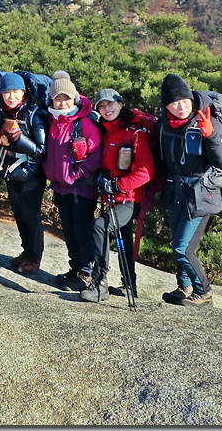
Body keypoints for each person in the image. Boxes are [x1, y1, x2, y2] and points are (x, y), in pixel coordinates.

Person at [156, 74, 222, 308]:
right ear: (166, 106)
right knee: (177, 243)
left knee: (183, 248)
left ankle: (204, 292)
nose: (181, 107)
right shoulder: (163, 124)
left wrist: (210, 135)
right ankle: (185, 286)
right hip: (175, 191)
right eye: (174, 103)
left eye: (184, 101)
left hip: (201, 194)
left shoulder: (207, 119)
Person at [84, 88, 156, 303]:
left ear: (120, 104)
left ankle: (100, 285)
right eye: (102, 106)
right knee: (123, 239)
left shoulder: (135, 134)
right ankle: (129, 285)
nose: (107, 109)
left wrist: (118, 185)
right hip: (114, 198)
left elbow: (146, 172)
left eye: (110, 104)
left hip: (130, 199)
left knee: (100, 227)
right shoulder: (106, 132)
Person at [41, 76, 103, 292]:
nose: (62, 103)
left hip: (81, 187)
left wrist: (76, 174)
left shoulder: (83, 123)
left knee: (81, 230)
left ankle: (86, 273)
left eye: (66, 98)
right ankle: (75, 268)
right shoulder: (53, 121)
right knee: (68, 229)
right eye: (58, 98)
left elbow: (95, 156)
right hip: (60, 186)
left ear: (74, 98)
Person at [0, 71, 49, 275]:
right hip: (11, 170)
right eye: (7, 92)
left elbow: (41, 150)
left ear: (24, 93)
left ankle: (35, 257)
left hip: (32, 173)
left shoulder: (35, 114)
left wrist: (18, 136)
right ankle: (26, 252)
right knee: (19, 214)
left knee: (31, 215)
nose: (11, 96)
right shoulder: (3, 111)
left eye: (16, 92)